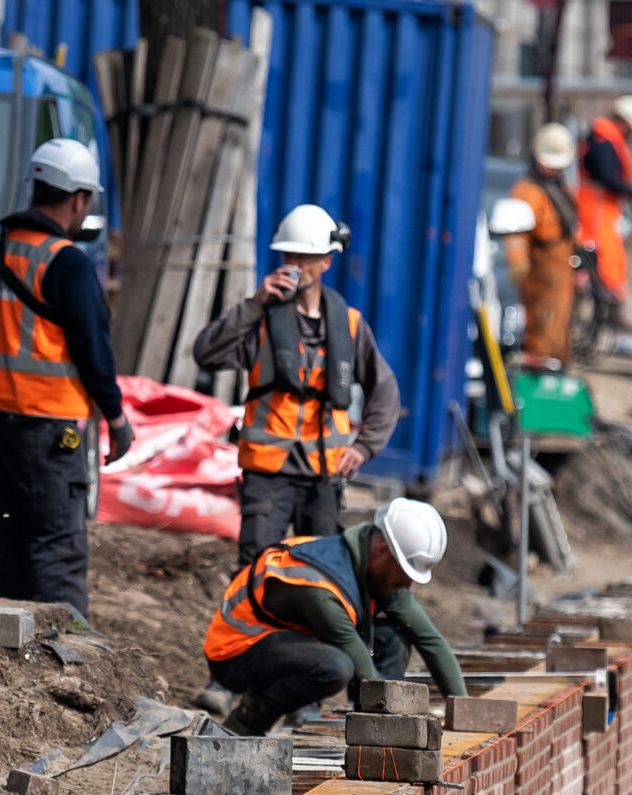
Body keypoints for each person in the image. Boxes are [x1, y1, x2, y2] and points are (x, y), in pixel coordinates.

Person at [192, 204, 402, 571]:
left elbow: (384, 389)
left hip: (323, 476)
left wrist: (365, 446)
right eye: (289, 254)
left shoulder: (349, 325)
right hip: (267, 476)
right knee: (256, 572)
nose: (295, 263)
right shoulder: (259, 320)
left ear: (326, 263)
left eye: (305, 256)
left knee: (321, 576)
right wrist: (254, 305)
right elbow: (206, 353)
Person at [0, 138, 133, 620]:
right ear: (79, 199)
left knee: (13, 536)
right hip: (51, 431)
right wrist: (117, 416)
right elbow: (94, 350)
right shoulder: (68, 262)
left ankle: (11, 636)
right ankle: (69, 651)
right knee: (58, 544)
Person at [202, 498, 469, 735]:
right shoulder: (321, 585)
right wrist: (403, 726)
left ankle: (372, 732)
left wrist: (465, 710)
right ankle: (246, 724)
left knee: (393, 636)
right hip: (237, 651)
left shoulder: (377, 570)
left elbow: (430, 640)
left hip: (286, 643)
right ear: (381, 550)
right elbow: (365, 671)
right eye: (405, 572)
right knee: (336, 667)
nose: (407, 585)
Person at [506, 123, 579, 363]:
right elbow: (516, 232)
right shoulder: (527, 191)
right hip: (541, 279)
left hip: (560, 277)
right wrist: (517, 260)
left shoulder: (558, 189)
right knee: (542, 340)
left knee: (558, 336)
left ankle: (556, 372)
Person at [577, 95, 632, 323]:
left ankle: (605, 313)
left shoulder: (604, 139)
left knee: (604, 260)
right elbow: (607, 177)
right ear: (625, 122)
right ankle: (607, 314)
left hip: (603, 211)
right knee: (603, 259)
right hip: (597, 212)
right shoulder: (604, 142)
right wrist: (630, 189)